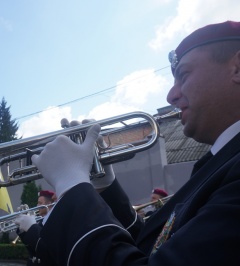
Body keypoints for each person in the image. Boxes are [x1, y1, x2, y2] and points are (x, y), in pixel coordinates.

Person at [20, 21, 240, 265]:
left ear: (237, 67)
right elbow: (152, 247)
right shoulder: (221, 161)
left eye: (183, 75)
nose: (171, 95)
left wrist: (72, 186)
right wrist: (106, 186)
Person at [15, 190, 56, 266]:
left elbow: (44, 247)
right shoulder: (40, 220)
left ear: (49, 204)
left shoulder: (54, 222)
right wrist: (23, 230)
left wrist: (32, 227)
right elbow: (31, 247)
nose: (37, 206)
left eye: (40, 203)